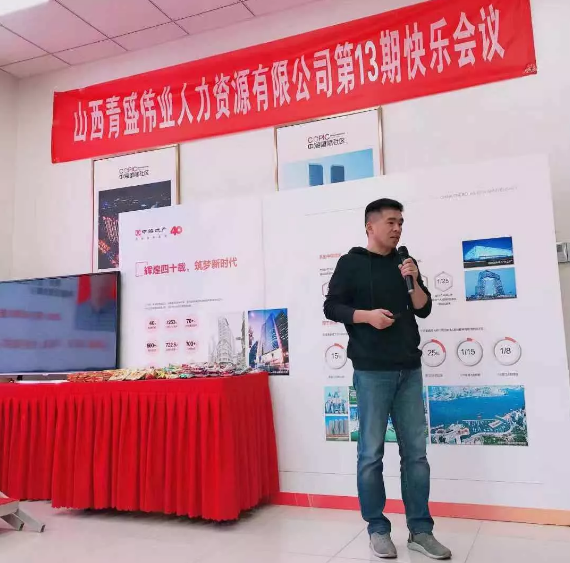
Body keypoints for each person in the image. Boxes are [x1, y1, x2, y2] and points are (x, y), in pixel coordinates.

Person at [323, 199, 451, 560]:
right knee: (370, 454)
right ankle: (377, 529)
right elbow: (332, 307)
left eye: (401, 223)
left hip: (409, 368)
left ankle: (420, 531)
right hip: (371, 371)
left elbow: (423, 307)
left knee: (416, 455)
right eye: (391, 222)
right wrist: (366, 316)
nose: (397, 229)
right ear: (371, 226)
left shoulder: (405, 262)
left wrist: (412, 279)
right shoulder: (350, 263)